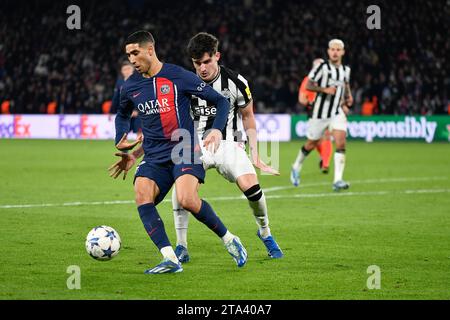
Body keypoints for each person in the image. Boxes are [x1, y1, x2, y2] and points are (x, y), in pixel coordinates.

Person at [108, 30, 248, 274]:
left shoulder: (177, 76)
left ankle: (229, 239)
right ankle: (169, 258)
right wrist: (120, 137)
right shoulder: (131, 86)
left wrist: (216, 130)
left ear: (150, 49)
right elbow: (121, 114)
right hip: (153, 156)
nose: (131, 59)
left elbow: (222, 101)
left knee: (186, 200)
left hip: (185, 149)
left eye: (135, 53)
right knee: (142, 194)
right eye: (128, 54)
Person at [172, 32, 283, 263]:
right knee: (182, 191)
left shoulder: (236, 81)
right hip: (195, 144)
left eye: (206, 62)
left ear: (217, 56)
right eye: (196, 63)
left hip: (228, 142)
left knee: (251, 187)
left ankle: (265, 232)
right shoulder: (183, 84)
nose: (202, 68)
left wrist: (256, 154)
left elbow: (248, 116)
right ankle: (181, 245)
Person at [291, 39, 353, 191]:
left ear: (343, 52)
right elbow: (309, 85)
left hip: (337, 112)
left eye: (338, 50)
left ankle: (337, 180)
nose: (335, 52)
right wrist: (324, 90)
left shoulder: (346, 70)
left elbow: (345, 84)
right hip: (320, 113)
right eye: (332, 49)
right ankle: (296, 166)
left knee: (340, 142)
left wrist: (348, 97)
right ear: (328, 51)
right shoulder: (322, 68)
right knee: (312, 143)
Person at [298, 58, 333, 176]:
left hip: (327, 111)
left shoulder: (329, 79)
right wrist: (312, 103)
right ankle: (324, 159)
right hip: (314, 113)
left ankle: (325, 163)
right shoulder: (308, 80)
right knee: (317, 140)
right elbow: (302, 99)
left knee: (326, 136)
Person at [111, 61, 142, 138]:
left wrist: (137, 110)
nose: (127, 71)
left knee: (139, 133)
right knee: (123, 134)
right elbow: (116, 97)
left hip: (137, 113)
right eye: (124, 69)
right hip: (124, 112)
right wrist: (111, 111)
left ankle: (141, 150)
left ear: (133, 69)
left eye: (128, 69)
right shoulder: (119, 82)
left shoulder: (138, 81)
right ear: (122, 71)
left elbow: (141, 97)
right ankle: (124, 150)